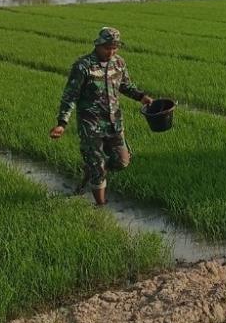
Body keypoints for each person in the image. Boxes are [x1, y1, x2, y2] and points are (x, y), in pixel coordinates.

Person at [49, 27, 153, 206]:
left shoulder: (118, 63)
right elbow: (70, 96)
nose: (111, 52)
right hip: (91, 124)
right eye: (107, 48)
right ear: (98, 45)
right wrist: (61, 123)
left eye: (114, 48)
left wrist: (142, 97)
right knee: (97, 166)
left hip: (114, 123)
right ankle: (100, 205)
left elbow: (125, 85)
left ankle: (93, 170)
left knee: (122, 161)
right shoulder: (83, 66)